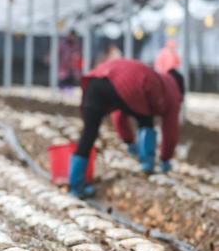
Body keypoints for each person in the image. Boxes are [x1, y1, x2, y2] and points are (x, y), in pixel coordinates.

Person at [68, 59, 184, 198]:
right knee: (146, 118)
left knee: (89, 133)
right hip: (120, 83)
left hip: (95, 81)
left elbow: (119, 112)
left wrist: (128, 140)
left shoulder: (152, 79)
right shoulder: (172, 90)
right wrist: (166, 158)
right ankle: (147, 164)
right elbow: (171, 130)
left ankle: (75, 186)